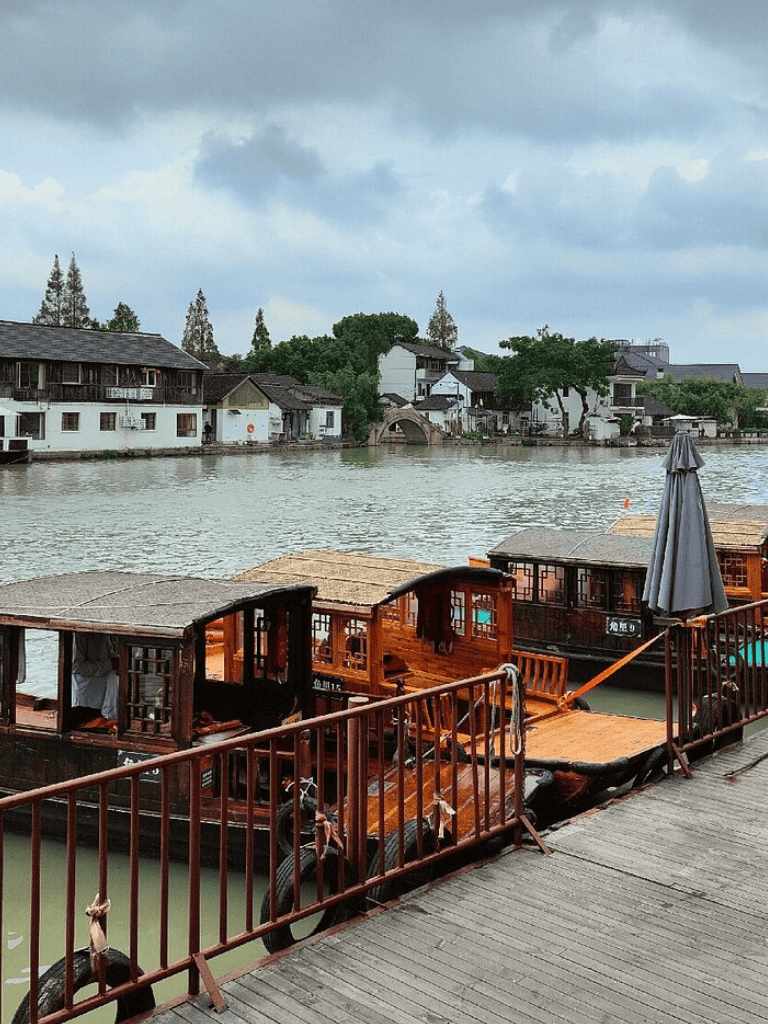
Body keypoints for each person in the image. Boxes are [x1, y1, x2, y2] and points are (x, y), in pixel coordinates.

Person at [72, 634, 119, 720]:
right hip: (87, 695)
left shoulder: (104, 634)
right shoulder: (79, 635)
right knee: (86, 721)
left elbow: (107, 653)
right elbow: (76, 667)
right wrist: (110, 665)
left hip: (103, 691)